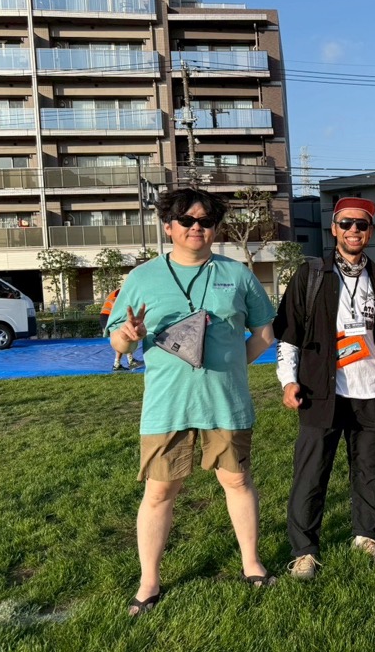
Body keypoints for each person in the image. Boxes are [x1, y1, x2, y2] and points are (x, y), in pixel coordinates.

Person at [107, 186, 277, 616]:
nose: (196, 228)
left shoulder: (237, 274)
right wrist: (128, 337)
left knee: (237, 481)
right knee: (160, 490)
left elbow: (264, 332)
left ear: (215, 228)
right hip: (167, 404)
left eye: (205, 221)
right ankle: (149, 581)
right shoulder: (142, 278)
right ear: (169, 226)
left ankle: (251, 563)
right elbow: (118, 342)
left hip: (225, 401)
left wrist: (231, 364)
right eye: (186, 220)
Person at [273, 197, 375, 580]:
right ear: (334, 228)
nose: (353, 231)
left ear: (370, 231)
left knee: (371, 469)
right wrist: (288, 380)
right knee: (311, 473)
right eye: (346, 224)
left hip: (371, 390)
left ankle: (366, 534)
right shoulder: (311, 274)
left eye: (361, 225)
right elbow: (289, 333)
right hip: (320, 390)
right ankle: (304, 551)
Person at [100, 287, 142, 372]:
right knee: (122, 337)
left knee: (128, 335)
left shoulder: (123, 292)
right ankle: (117, 364)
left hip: (110, 317)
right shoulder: (120, 292)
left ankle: (130, 360)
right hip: (109, 317)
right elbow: (115, 304)